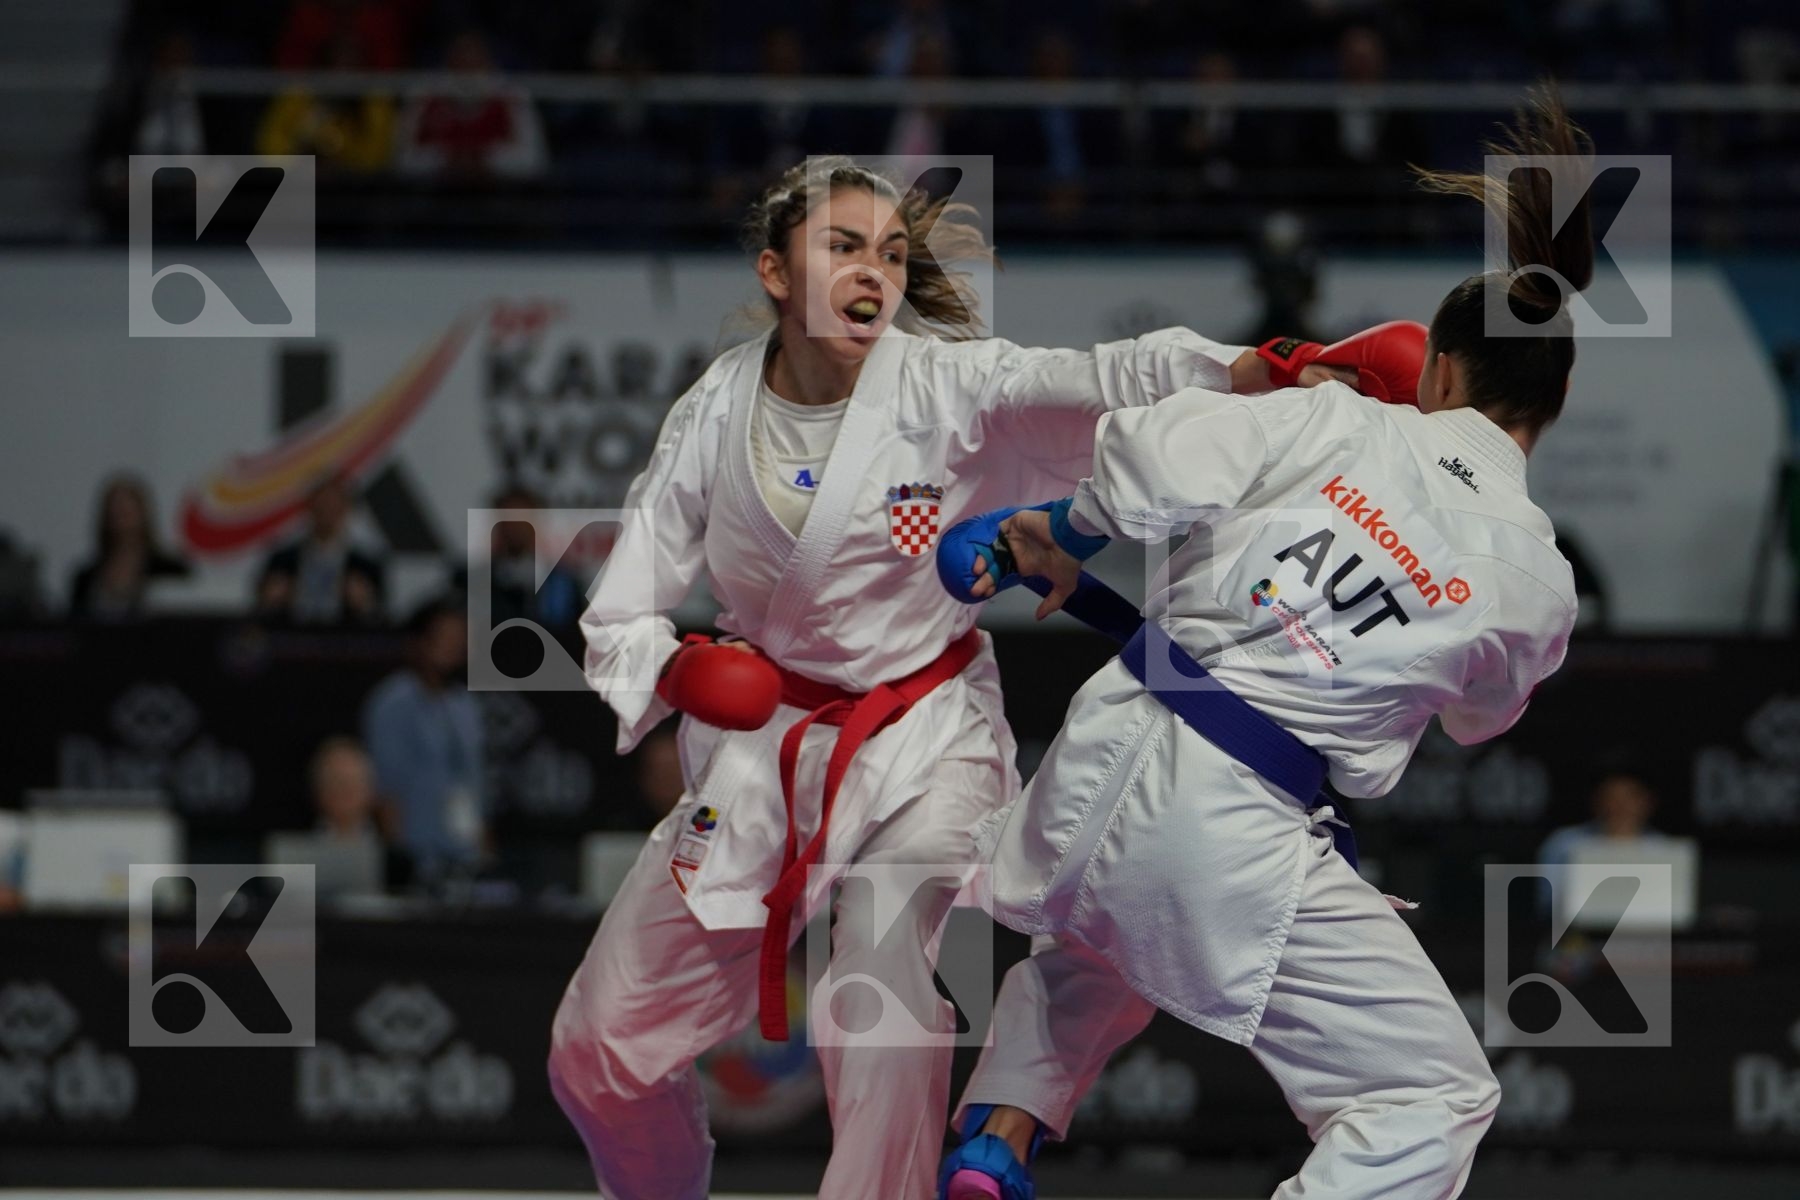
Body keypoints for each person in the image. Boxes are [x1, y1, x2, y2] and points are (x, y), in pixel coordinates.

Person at [546, 155, 1254, 1200]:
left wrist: (1268, 367)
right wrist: (682, 667)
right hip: (762, 754)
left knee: (870, 981)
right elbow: (621, 607)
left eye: (889, 250)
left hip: (924, 736)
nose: (873, 268)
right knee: (596, 1049)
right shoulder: (714, 410)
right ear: (777, 273)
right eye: (842, 246)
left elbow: (1105, 376)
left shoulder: (941, 386)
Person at [939, 90, 1591, 1200]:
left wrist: (1056, 530)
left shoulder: (1338, 415)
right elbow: (1481, 720)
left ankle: (999, 1133)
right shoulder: (1539, 582)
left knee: (1107, 933)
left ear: (1437, 373)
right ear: (1550, 412)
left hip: (1102, 758)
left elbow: (1150, 456)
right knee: (1430, 1097)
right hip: (1235, 825)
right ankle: (1010, 1128)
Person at [362, 599, 486, 885]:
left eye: (459, 639)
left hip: (464, 852)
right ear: (418, 642)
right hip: (415, 855)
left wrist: (482, 840)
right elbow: (385, 788)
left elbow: (475, 779)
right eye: (444, 637)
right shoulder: (392, 703)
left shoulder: (464, 705)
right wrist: (396, 858)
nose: (453, 647)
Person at [255, 473, 386, 626]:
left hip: (345, 641)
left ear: (346, 509)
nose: (326, 512)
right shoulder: (282, 561)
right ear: (309, 508)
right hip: (292, 639)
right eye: (321, 505)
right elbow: (259, 610)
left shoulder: (367, 565)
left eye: (333, 506)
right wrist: (271, 602)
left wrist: (365, 606)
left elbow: (382, 620)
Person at [68, 474, 190, 620]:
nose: (121, 519)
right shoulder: (86, 576)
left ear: (143, 514)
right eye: (115, 513)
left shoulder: (169, 569)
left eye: (127, 512)